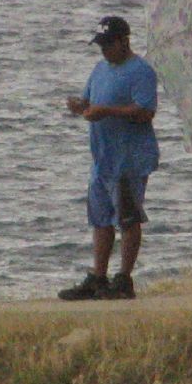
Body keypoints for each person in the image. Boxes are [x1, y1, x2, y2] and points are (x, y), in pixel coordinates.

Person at [59, 15, 159, 300]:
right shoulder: (100, 69)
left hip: (129, 160)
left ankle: (124, 278)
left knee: (128, 219)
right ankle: (98, 277)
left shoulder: (141, 71)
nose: (103, 51)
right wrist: (81, 107)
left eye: (108, 45)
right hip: (102, 159)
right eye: (100, 45)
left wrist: (108, 112)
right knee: (100, 219)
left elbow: (145, 112)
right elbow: (91, 103)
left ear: (124, 42)